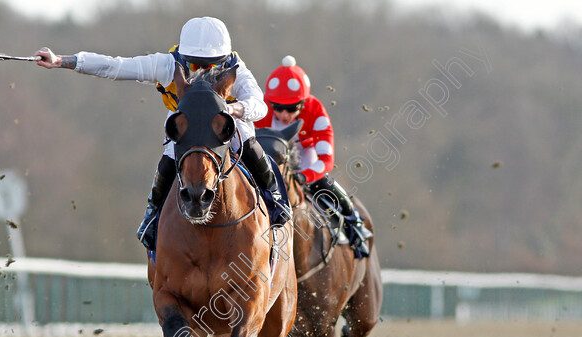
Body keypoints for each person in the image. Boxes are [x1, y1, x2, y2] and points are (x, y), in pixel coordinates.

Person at [34, 16, 292, 252]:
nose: (202, 71)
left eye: (211, 65)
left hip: (222, 120)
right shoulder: (168, 65)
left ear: (223, 61)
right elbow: (116, 67)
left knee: (249, 143)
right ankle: (152, 214)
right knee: (169, 158)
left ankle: (276, 200)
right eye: (194, 64)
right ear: (182, 57)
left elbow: (259, 105)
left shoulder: (237, 70)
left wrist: (235, 109)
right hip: (187, 122)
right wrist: (62, 61)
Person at [255, 55, 372, 258]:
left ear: (303, 103)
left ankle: (355, 224)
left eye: (291, 108)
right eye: (278, 107)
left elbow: (326, 160)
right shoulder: (261, 106)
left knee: (323, 182)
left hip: (304, 154)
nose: (283, 114)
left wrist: (303, 177)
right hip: (271, 156)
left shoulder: (315, 109)